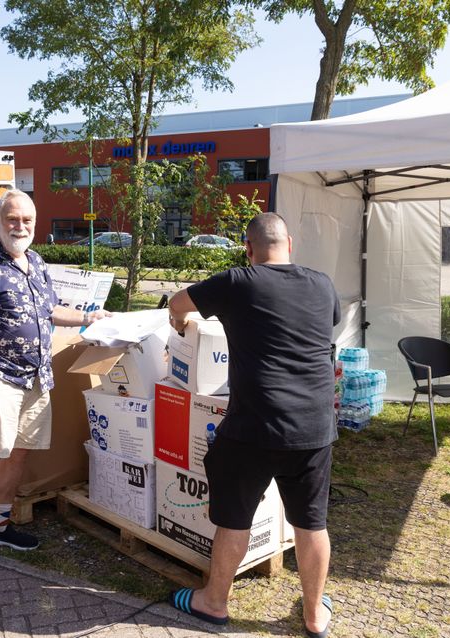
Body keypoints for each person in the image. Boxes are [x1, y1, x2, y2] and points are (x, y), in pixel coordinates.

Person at [166, 212, 340, 637]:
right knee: (311, 522)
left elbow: (176, 303)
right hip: (314, 427)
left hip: (253, 426)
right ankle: (315, 614)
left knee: (234, 520)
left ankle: (213, 602)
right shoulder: (321, 283)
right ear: (290, 244)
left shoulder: (237, 281)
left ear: (248, 248)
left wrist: (182, 324)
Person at [0, 189, 108, 579]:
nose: (20, 226)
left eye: (27, 220)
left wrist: (91, 319)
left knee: (18, 454)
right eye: (12, 219)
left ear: (35, 224)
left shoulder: (35, 261)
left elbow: (50, 310)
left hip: (36, 377)